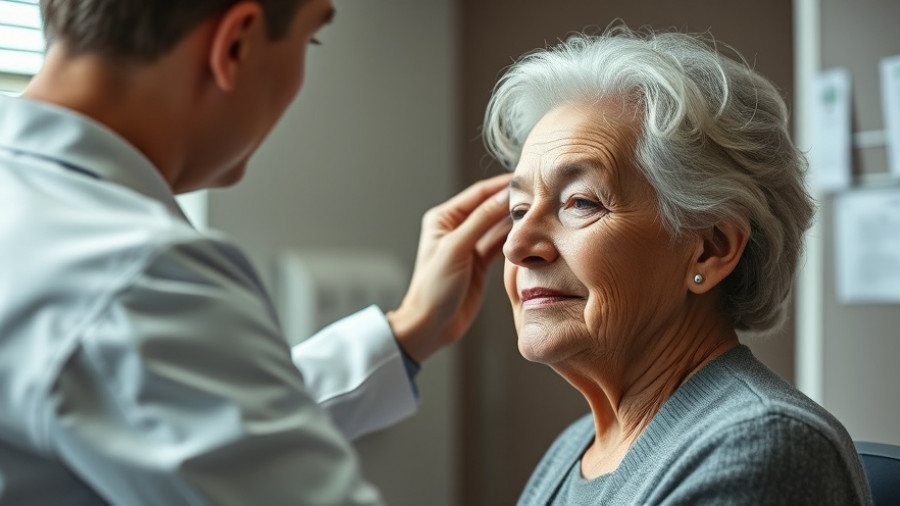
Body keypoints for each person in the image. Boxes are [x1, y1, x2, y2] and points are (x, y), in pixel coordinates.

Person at [0, 0, 511, 504]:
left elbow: (193, 421)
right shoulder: (131, 272)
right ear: (236, 44)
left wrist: (408, 330)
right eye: (309, 40)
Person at [483, 23, 873, 505]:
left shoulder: (760, 447)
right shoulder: (575, 448)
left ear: (710, 249)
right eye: (519, 210)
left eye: (580, 202)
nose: (517, 244)